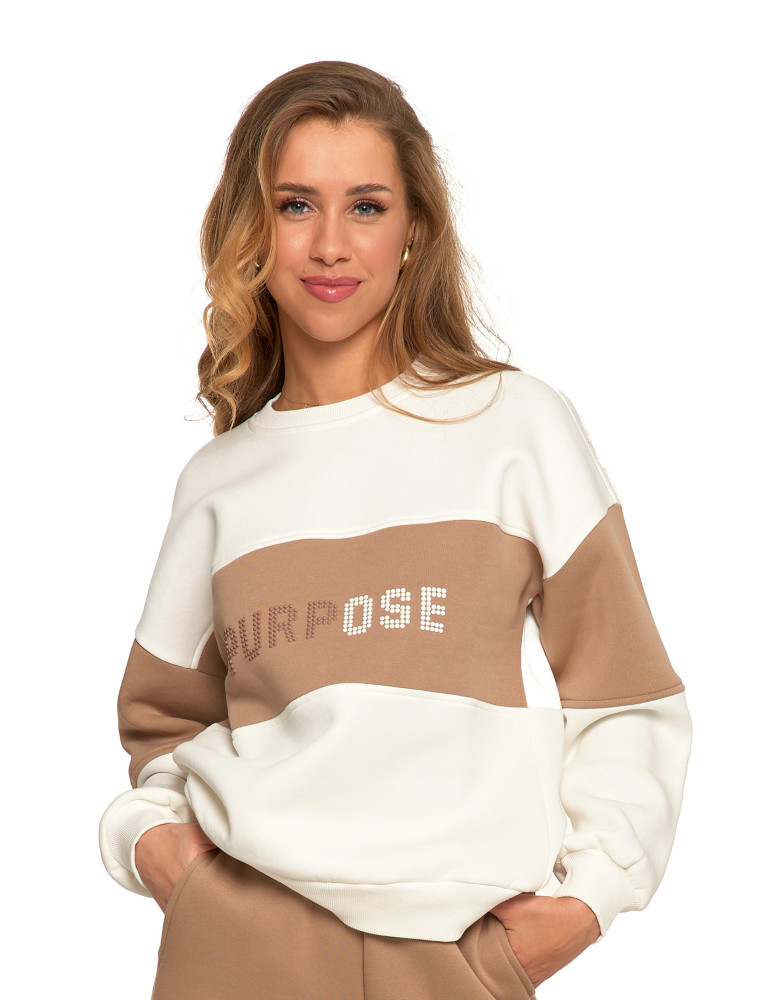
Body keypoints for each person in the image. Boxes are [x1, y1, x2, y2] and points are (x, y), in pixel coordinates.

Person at [98, 60, 692, 999]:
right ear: (252, 230)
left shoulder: (514, 426)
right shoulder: (219, 482)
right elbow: (162, 721)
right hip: (239, 945)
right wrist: (158, 847)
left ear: (414, 230)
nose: (330, 245)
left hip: (449, 956)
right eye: (296, 205)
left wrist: (588, 900)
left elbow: (626, 695)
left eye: (366, 207)